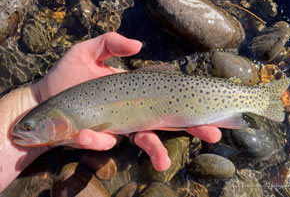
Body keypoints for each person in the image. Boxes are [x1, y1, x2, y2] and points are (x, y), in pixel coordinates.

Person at [0, 32, 221, 192]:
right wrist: (36, 97)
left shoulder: (59, 106)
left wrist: (36, 96)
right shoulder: (59, 107)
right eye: (28, 127)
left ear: (54, 119)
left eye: (28, 127)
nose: (21, 132)